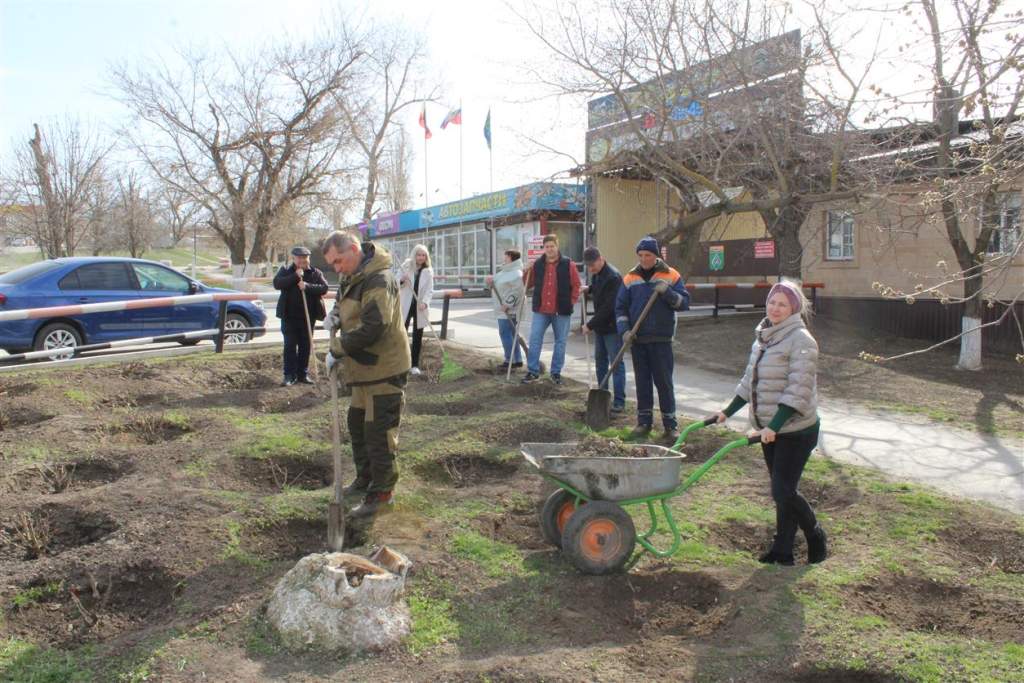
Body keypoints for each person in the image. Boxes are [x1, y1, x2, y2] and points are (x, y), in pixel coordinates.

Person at [713, 281, 827, 566]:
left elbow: (798, 390)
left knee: (783, 490)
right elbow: (749, 381)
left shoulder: (802, 340)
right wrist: (727, 412)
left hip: (796, 429)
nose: (775, 308)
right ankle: (782, 551)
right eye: (772, 302)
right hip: (770, 430)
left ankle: (815, 535)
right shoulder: (764, 336)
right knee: (783, 492)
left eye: (782, 304)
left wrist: (774, 426)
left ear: (793, 309)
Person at [322, 231, 411, 518]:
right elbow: (343, 301)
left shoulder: (379, 279)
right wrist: (335, 315)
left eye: (338, 261)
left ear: (353, 249)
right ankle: (366, 479)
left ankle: (382, 495)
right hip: (363, 370)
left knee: (379, 434)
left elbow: (375, 326)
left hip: (384, 368)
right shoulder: (352, 276)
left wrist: (337, 349)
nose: (337, 269)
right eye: (332, 265)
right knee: (358, 425)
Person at [615, 236, 690, 442]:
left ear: (656, 256)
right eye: (640, 255)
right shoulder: (630, 278)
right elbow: (620, 308)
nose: (643, 259)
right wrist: (625, 331)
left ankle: (670, 425)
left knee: (664, 383)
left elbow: (684, 303)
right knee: (642, 383)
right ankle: (644, 423)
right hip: (638, 339)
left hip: (661, 339)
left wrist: (667, 292)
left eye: (647, 255)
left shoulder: (671, 275)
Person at [522, 234, 581, 385]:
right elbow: (527, 284)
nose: (549, 249)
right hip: (541, 310)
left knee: (560, 342)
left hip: (561, 311)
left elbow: (576, 285)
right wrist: (526, 271)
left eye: (552, 246)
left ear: (557, 246)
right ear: (544, 248)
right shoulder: (537, 264)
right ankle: (533, 371)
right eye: (547, 246)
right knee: (535, 339)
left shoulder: (568, 264)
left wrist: (571, 302)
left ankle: (555, 373)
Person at [272, 246, 328, 386]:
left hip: (308, 317)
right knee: (290, 345)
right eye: (299, 258)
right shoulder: (286, 271)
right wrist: (295, 276)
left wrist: (307, 286)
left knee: (305, 346)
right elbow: (277, 284)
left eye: (305, 257)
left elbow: (324, 288)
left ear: (309, 258)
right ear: (293, 258)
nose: (302, 260)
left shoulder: (315, 273)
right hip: (289, 317)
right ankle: (289, 375)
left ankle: (302, 374)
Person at [581, 246, 626, 412]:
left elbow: (609, 307)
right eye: (588, 266)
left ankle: (619, 402)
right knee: (600, 363)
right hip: (601, 328)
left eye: (592, 265)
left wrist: (590, 325)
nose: (590, 269)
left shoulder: (613, 277)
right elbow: (598, 288)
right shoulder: (597, 274)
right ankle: (602, 397)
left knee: (616, 364)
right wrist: (589, 288)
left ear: (601, 259)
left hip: (612, 328)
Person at [398, 244, 434, 376]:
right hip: (406, 305)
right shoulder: (406, 266)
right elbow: (395, 281)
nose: (421, 257)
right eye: (419, 255)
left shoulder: (428, 271)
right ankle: (402, 363)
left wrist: (425, 302)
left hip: (420, 307)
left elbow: (430, 290)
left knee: (417, 336)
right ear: (414, 255)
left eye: (423, 255)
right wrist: (402, 280)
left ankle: (414, 365)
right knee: (402, 334)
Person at [487, 249, 526, 371]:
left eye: (505, 256)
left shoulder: (516, 273)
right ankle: (517, 360)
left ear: (511, 257)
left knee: (505, 334)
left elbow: (518, 291)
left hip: (509, 310)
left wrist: (508, 304)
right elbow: (495, 284)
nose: (503, 258)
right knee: (512, 334)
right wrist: (490, 282)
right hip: (502, 309)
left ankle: (510, 360)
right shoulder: (505, 272)